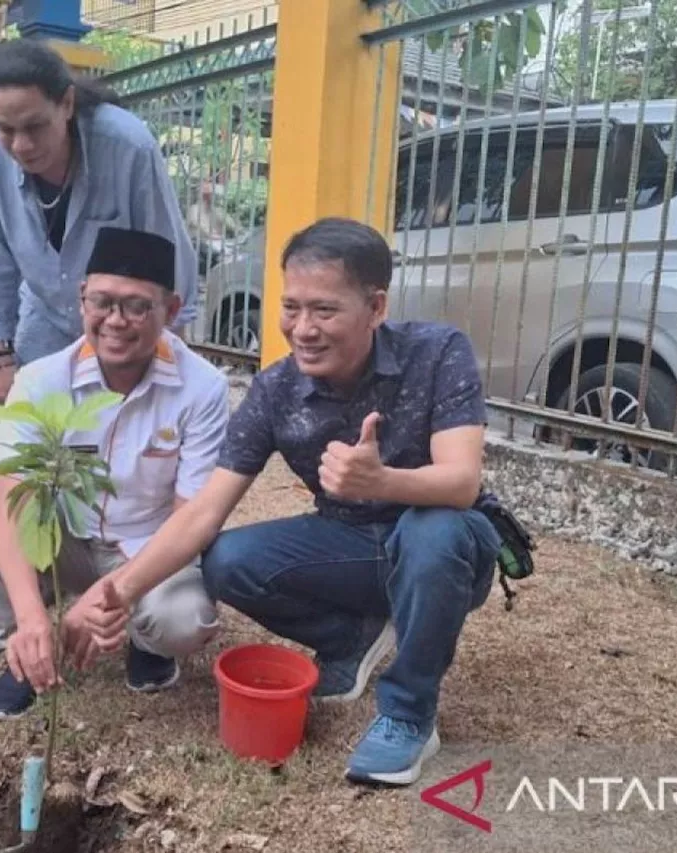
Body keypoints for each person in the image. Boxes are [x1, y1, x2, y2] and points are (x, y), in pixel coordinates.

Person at [78, 217, 504, 787]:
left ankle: (408, 713)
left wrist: (381, 482)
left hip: (445, 549)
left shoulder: (436, 352)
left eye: (324, 311)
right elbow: (205, 512)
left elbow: (462, 484)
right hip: (353, 549)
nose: (302, 329)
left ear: (376, 307)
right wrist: (118, 591)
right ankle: (348, 644)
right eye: (291, 307)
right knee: (227, 559)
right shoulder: (276, 390)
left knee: (433, 532)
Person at [0, 226, 226, 718]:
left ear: (171, 311)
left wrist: (107, 596)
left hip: (144, 552)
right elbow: (14, 503)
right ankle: (23, 646)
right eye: (102, 302)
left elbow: (190, 517)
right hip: (63, 540)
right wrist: (35, 617)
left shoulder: (204, 388)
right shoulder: (41, 379)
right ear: (81, 300)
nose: (116, 321)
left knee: (183, 619)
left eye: (137, 306)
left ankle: (147, 644)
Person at [0, 38, 199, 403]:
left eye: (35, 127)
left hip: (122, 324)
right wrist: (1, 362)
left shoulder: (129, 147)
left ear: (67, 104)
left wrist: (172, 363)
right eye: (6, 130)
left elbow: (165, 254)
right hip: (43, 319)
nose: (21, 146)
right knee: (43, 440)